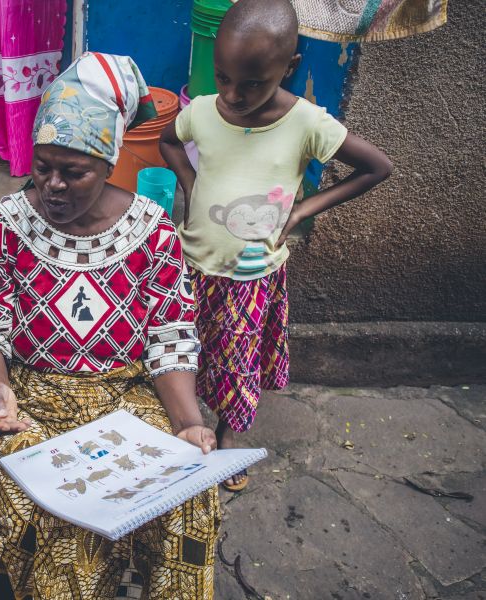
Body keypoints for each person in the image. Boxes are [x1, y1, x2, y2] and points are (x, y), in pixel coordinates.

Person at [0, 52, 221, 599]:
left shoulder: (152, 230)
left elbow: (171, 338)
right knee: (49, 508)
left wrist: (188, 423)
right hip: (31, 396)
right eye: (42, 166)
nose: (52, 185)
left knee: (187, 498)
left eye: (72, 171)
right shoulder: (3, 226)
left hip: (126, 394)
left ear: (108, 162)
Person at [159, 0, 392, 492]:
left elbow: (377, 167)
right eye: (222, 77)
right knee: (187, 350)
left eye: (251, 83)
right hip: (193, 267)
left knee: (236, 360)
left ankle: (224, 438)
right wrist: (189, 180)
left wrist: (305, 209)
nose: (233, 94)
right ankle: (185, 422)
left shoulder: (306, 123)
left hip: (252, 275)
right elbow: (169, 142)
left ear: (288, 68)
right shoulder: (201, 111)